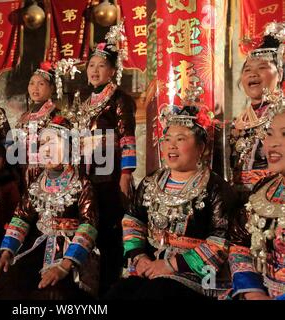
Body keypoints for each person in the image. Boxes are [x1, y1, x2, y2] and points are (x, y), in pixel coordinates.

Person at [107, 102, 236, 300]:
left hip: (194, 275)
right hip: (150, 266)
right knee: (117, 293)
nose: (171, 145)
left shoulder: (216, 188)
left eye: (180, 139)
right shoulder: (151, 181)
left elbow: (219, 242)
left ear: (201, 147)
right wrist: (139, 257)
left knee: (156, 293)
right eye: (167, 139)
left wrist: (170, 265)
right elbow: (133, 221)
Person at [0, 116, 99, 300]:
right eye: (42, 144)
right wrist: (6, 254)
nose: (47, 150)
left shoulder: (82, 184)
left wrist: (64, 266)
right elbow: (20, 218)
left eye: (53, 143)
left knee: (52, 293)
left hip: (70, 254)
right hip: (37, 248)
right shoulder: (36, 184)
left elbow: (88, 225)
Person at [67, 22, 136, 295]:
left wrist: (126, 174)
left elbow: (127, 137)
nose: (94, 71)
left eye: (101, 66)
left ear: (112, 71)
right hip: (84, 174)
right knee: (86, 225)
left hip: (109, 173)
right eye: (91, 65)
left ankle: (109, 286)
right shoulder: (83, 100)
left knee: (109, 227)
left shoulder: (119, 98)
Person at [225, 89, 285, 300]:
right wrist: (253, 292)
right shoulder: (264, 188)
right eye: (269, 133)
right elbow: (239, 242)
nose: (273, 143)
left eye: (284, 134)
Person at [230, 23, 284, 198]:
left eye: (262, 68)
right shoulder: (239, 120)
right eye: (247, 70)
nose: (253, 74)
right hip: (239, 201)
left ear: (280, 74)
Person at [14, 61, 60, 187]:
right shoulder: (24, 117)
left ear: (51, 88)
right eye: (32, 83)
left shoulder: (56, 116)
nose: (35, 88)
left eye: (41, 84)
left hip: (46, 170)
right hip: (24, 171)